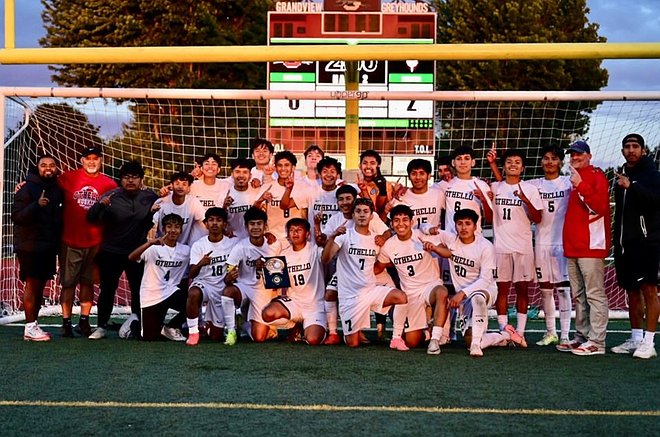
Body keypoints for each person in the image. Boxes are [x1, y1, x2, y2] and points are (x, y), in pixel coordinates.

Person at [424, 208, 527, 356]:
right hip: (465, 298)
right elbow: (423, 227)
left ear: (475, 226)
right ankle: (505, 335)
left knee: (477, 297)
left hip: (486, 291)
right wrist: (429, 230)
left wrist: (462, 293)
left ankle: (476, 346)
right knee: (469, 339)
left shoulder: (485, 247)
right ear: (455, 226)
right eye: (460, 224)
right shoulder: (451, 239)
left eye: (468, 223)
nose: (463, 227)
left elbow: (485, 280)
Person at [321, 198, 407, 348]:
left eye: (366, 211)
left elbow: (389, 257)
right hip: (349, 297)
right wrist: (332, 237)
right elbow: (325, 259)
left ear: (371, 215)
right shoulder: (344, 236)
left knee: (401, 297)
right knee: (353, 343)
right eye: (358, 211)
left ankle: (396, 338)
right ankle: (345, 332)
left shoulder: (376, 239)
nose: (362, 215)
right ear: (353, 215)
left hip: (369, 291)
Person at [87, 160, 159, 339]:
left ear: (141, 179)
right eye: (126, 177)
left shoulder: (150, 197)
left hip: (137, 252)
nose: (130, 181)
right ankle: (101, 326)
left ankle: (138, 324)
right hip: (111, 251)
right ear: (121, 180)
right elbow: (91, 218)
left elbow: (164, 210)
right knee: (108, 289)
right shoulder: (111, 196)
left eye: (134, 177)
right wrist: (100, 205)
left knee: (138, 289)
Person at [558, 140, 611, 356]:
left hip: (591, 246)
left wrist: (581, 185)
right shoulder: (573, 178)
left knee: (594, 294)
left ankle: (597, 342)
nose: (575, 157)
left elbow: (601, 208)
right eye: (572, 154)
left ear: (589, 156)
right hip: (573, 247)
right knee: (579, 295)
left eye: (579, 154)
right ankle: (582, 336)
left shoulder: (597, 176)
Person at [57, 146, 116, 337]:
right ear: (82, 160)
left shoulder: (109, 184)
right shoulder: (68, 178)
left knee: (88, 283)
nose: (91, 162)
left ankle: (84, 320)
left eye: (95, 158)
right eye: (88, 158)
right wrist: (25, 184)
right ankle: (66, 322)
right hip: (70, 240)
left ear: (101, 161)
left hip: (96, 241)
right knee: (68, 283)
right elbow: (46, 184)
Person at [375, 205, 450, 353]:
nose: (401, 224)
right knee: (412, 341)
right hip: (410, 293)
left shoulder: (422, 236)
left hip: (430, 286)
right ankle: (427, 331)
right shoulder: (388, 246)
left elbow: (447, 252)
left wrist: (434, 248)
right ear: (391, 224)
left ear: (412, 222)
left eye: (405, 220)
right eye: (396, 220)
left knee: (442, 292)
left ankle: (435, 340)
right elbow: (378, 268)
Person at [611, 134, 660, 359]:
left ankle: (649, 342)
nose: (631, 150)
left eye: (635, 146)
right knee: (631, 291)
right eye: (627, 146)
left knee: (649, 290)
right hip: (624, 244)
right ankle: (636, 338)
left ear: (643, 150)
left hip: (646, 243)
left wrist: (632, 186)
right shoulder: (622, 174)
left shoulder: (652, 174)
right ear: (622, 151)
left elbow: (656, 201)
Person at [489, 148, 543, 345]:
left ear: (523, 168)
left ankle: (520, 332)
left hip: (523, 247)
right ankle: (504, 331)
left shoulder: (530, 189)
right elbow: (500, 186)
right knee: (501, 290)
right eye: (509, 162)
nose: (513, 165)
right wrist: (492, 163)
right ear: (504, 167)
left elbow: (538, 218)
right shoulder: (495, 187)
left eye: (517, 162)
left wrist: (524, 199)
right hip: (501, 247)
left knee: (522, 290)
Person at [12, 155, 64, 341]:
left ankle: (33, 325)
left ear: (56, 168)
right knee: (32, 285)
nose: (48, 168)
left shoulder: (57, 189)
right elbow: (17, 216)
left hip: (48, 246)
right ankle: (29, 327)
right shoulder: (27, 188)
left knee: (40, 286)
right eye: (44, 165)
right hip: (30, 246)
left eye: (52, 165)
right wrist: (36, 205)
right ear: (37, 167)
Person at [528, 145, 573, 346]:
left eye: (554, 158)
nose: (549, 162)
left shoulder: (568, 182)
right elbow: (510, 185)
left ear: (561, 162)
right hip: (541, 243)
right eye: (546, 158)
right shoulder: (534, 184)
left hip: (562, 243)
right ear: (541, 162)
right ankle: (550, 332)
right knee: (545, 290)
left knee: (563, 289)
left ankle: (565, 334)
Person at [221, 207, 282, 344]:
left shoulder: (274, 245)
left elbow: (279, 276)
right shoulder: (240, 247)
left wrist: (266, 268)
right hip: (244, 287)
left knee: (259, 338)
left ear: (265, 226)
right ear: (246, 226)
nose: (255, 227)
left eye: (259, 223)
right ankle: (231, 331)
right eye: (252, 224)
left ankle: (244, 324)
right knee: (228, 292)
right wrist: (229, 278)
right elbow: (227, 276)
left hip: (263, 291)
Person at [261, 218, 327, 345]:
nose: (295, 233)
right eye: (291, 230)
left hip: (314, 305)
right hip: (294, 302)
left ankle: (306, 328)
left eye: (299, 230)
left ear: (307, 234)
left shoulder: (315, 250)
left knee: (313, 340)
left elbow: (327, 256)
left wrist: (319, 229)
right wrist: (263, 266)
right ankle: (294, 325)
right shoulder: (284, 254)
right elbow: (277, 283)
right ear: (288, 235)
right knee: (267, 314)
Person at [128, 213, 190, 341]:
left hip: (170, 292)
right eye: (169, 226)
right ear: (163, 229)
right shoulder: (153, 249)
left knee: (193, 301)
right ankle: (133, 323)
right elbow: (131, 257)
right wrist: (150, 243)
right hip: (151, 295)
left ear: (181, 230)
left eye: (177, 227)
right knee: (149, 338)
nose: (173, 230)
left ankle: (171, 326)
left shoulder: (186, 250)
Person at [185, 207, 235, 346]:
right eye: (211, 220)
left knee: (216, 336)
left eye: (218, 220)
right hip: (205, 284)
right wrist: (201, 263)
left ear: (224, 224)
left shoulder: (232, 243)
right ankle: (193, 332)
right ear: (206, 224)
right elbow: (191, 274)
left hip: (222, 287)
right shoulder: (199, 245)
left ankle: (218, 324)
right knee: (193, 293)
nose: (214, 223)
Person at [262, 150, 309, 241]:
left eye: (287, 165)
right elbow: (258, 211)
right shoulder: (268, 186)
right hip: (273, 238)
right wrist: (266, 232)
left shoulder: (303, 187)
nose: (283, 169)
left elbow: (285, 205)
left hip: (294, 239)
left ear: (293, 167)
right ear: (275, 168)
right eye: (280, 165)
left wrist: (288, 189)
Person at [153, 171, 207, 245]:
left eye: (184, 184)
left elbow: (204, 222)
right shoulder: (162, 201)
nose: (180, 187)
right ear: (171, 185)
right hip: (161, 246)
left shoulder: (193, 202)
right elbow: (152, 226)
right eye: (177, 183)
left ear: (189, 188)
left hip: (183, 247)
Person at [220, 158, 268, 240]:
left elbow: (264, 218)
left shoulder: (258, 192)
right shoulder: (224, 194)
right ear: (232, 174)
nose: (241, 175)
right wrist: (224, 207)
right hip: (231, 240)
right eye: (237, 172)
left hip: (253, 240)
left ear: (250, 176)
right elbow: (219, 219)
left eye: (245, 172)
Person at [390, 158, 445, 229]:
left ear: (429, 176)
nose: (418, 177)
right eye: (414, 174)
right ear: (409, 177)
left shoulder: (439, 194)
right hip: (410, 236)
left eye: (422, 173)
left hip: (433, 236)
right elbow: (388, 222)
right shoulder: (400, 196)